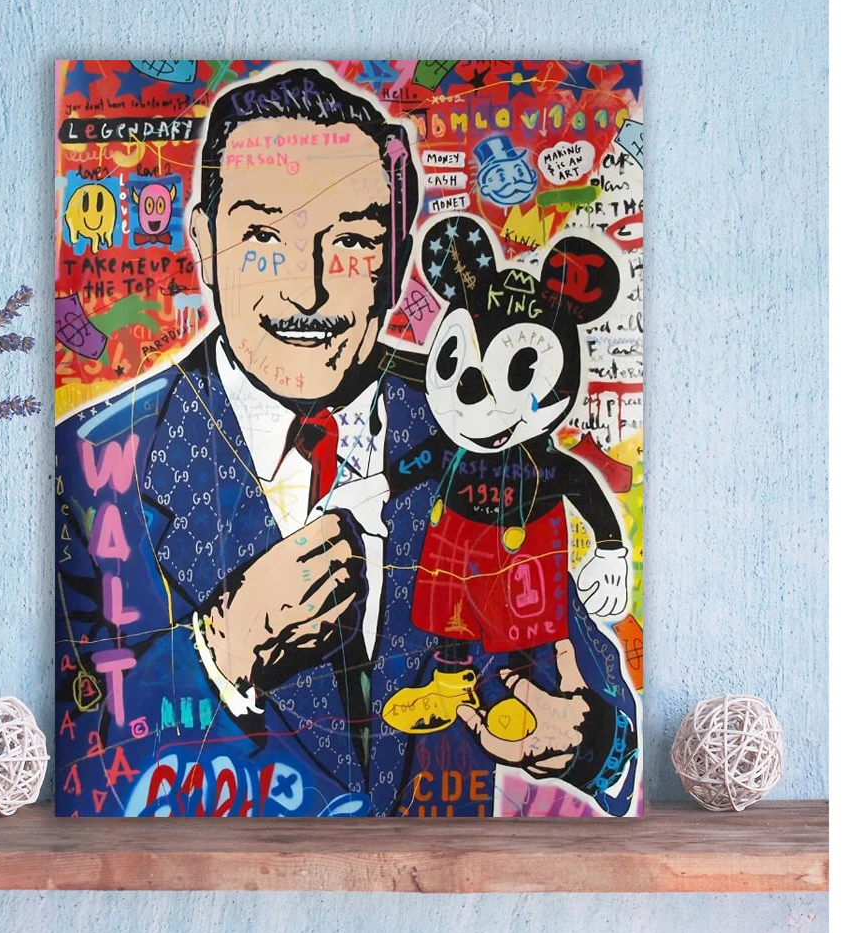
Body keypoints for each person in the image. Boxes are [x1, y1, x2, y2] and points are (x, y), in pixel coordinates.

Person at [55, 64, 638, 818]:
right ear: (203, 241)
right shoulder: (93, 464)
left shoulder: (477, 429)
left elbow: (600, 702)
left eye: (353, 242)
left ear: (394, 259)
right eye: (262, 235)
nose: (308, 291)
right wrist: (221, 651)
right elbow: (74, 768)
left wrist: (591, 742)